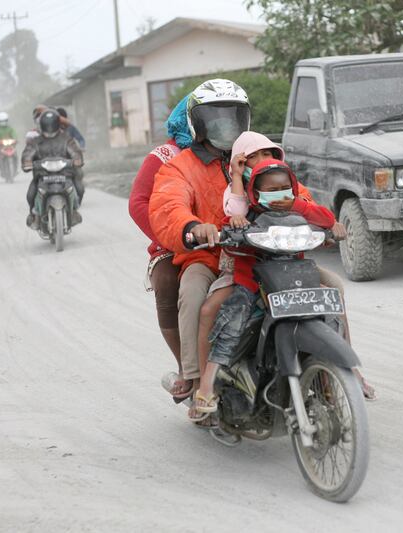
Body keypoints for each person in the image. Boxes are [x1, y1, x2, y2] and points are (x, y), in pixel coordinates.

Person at [188, 157, 337, 422]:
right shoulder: (247, 214)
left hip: (295, 280)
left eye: (284, 188)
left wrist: (298, 204)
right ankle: (207, 386)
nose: (279, 193)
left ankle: (341, 377)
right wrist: (234, 224)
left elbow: (326, 219)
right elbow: (229, 219)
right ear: (255, 192)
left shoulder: (299, 211)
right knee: (231, 322)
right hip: (253, 284)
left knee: (330, 312)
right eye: (270, 190)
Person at [148, 79, 251, 403]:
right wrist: (193, 227)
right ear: (197, 121)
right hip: (206, 257)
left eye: (232, 116)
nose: (225, 125)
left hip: (258, 253)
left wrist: (321, 219)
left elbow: (291, 189)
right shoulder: (179, 167)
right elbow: (168, 206)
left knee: (327, 285)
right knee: (191, 296)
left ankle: (338, 372)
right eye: (214, 117)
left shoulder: (256, 156)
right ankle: (193, 377)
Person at [128, 94, 193, 399]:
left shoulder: (236, 151)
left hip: (225, 238)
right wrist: (172, 236)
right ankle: (186, 369)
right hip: (175, 242)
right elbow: (139, 202)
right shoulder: (165, 155)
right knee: (167, 282)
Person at [21, 108, 84, 227]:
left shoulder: (66, 139)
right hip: (42, 175)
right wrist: (27, 162)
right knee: (30, 194)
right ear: (42, 125)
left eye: (52, 124)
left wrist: (77, 159)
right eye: (47, 125)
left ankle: (74, 210)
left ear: (57, 124)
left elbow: (75, 151)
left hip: (65, 174)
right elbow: (28, 153)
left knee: (80, 188)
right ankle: (33, 214)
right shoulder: (36, 141)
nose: (49, 128)